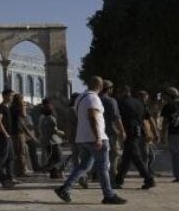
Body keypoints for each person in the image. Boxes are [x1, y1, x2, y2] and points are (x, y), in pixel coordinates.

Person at [54, 76, 126, 204]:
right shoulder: (93, 98)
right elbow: (92, 117)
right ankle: (108, 194)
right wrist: (98, 137)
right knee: (103, 166)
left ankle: (65, 188)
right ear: (100, 86)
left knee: (84, 165)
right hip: (95, 138)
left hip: (83, 138)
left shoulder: (80, 98)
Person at [114, 86, 156, 189]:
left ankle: (148, 179)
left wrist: (120, 131)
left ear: (123, 92)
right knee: (127, 158)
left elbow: (118, 117)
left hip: (128, 131)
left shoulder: (122, 103)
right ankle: (119, 180)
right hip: (138, 131)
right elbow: (147, 117)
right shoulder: (139, 103)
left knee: (136, 157)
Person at [99, 80, 126, 183]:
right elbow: (116, 117)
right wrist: (122, 131)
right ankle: (113, 179)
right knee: (113, 155)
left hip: (97, 132)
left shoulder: (95, 100)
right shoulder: (111, 101)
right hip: (110, 132)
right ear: (109, 89)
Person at [39, 100, 66, 178]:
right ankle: (46, 168)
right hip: (54, 141)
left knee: (52, 158)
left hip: (47, 141)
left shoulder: (43, 119)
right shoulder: (51, 118)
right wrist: (63, 133)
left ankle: (53, 174)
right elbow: (55, 130)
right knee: (58, 157)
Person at [137, 90, 160, 175]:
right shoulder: (138, 107)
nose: (145, 100)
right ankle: (145, 172)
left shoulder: (145, 107)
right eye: (143, 98)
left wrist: (154, 132)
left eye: (146, 98)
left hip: (147, 134)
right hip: (142, 134)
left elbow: (151, 120)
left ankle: (147, 169)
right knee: (145, 155)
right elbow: (149, 120)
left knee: (151, 155)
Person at [11, 94, 31, 177]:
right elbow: (24, 115)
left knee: (20, 152)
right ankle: (22, 171)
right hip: (18, 133)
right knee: (21, 152)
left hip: (16, 132)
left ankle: (19, 170)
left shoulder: (12, 108)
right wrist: (23, 106)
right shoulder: (16, 108)